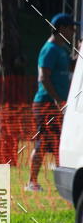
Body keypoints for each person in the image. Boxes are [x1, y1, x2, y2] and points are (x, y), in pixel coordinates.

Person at [26, 12, 78, 192]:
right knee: (43, 142)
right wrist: (57, 100)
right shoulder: (49, 49)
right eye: (71, 28)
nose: (73, 31)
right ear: (61, 28)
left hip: (59, 104)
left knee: (59, 143)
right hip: (46, 104)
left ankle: (63, 185)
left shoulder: (62, 49)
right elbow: (43, 77)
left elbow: (69, 66)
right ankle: (31, 182)